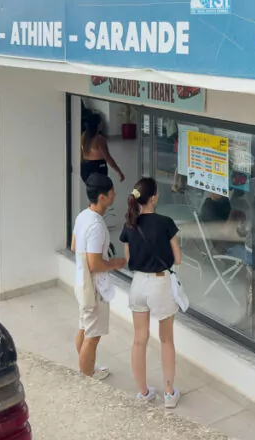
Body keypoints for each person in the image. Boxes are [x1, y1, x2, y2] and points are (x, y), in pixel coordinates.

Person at [119, 177, 183, 408]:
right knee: (166, 340)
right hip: (159, 283)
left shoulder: (130, 224)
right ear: (154, 197)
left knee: (139, 339)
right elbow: (178, 258)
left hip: (138, 285)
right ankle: (168, 394)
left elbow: (128, 259)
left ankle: (144, 392)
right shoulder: (166, 222)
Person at [71, 173, 126, 379]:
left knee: (84, 328)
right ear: (102, 197)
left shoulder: (82, 216)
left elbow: (75, 246)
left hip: (81, 282)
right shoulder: (96, 226)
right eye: (111, 192)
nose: (115, 194)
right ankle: (87, 378)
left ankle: (86, 368)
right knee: (92, 337)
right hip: (94, 288)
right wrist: (115, 263)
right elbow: (94, 264)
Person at [80, 112, 125, 184]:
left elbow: (80, 153)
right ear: (98, 125)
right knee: (101, 191)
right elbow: (108, 158)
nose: (102, 124)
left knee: (92, 191)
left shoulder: (83, 137)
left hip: (85, 168)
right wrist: (118, 171)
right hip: (97, 168)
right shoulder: (100, 139)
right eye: (101, 122)